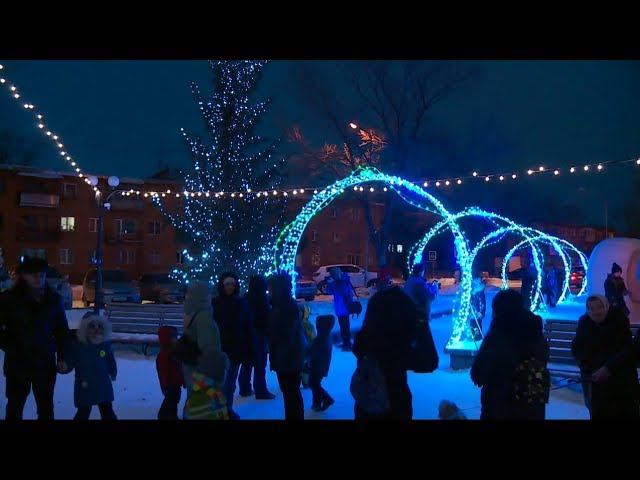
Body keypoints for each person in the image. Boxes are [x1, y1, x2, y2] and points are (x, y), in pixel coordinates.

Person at [0, 256, 70, 420]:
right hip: (17, 364)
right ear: (24, 276)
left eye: (42, 275)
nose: (39, 279)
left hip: (44, 363)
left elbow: (62, 331)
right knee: (15, 408)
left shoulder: (53, 300)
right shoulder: (9, 299)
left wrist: (62, 357)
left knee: (45, 408)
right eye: (34, 275)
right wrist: (11, 345)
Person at [470, 289, 550, 420]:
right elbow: (544, 356)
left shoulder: (497, 334)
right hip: (531, 399)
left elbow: (478, 373)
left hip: (500, 403)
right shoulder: (534, 329)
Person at [352, 286, 420, 419]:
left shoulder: (365, 339)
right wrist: (421, 322)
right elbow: (429, 362)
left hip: (366, 405)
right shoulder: (399, 344)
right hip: (396, 404)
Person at [571, 295, 639, 419]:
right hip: (596, 380)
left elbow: (627, 349)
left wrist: (608, 368)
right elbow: (577, 348)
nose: (595, 312)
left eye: (599, 307)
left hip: (621, 380)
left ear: (606, 306)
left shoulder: (618, 320)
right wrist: (588, 369)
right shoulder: (585, 322)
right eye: (591, 308)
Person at [182, 281, 229, 419]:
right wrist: (218, 376)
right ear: (203, 296)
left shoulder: (190, 312)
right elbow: (210, 351)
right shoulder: (204, 317)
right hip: (202, 374)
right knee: (205, 408)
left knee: (194, 405)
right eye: (208, 293)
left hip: (191, 370)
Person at [62, 313, 117, 420]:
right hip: (85, 385)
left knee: (107, 410)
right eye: (92, 326)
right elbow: (70, 361)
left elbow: (110, 360)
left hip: (103, 385)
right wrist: (65, 366)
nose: (97, 329)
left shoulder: (104, 345)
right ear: (85, 329)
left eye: (99, 326)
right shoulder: (78, 346)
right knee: (83, 412)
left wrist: (113, 371)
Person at [213, 272, 251, 418]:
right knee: (221, 383)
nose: (230, 287)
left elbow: (247, 326)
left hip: (236, 349)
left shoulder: (241, 303)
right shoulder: (216, 303)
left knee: (231, 383)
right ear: (223, 286)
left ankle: (227, 409)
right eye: (227, 284)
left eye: (232, 284)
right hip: (221, 349)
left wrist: (247, 347)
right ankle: (219, 410)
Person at [267, 272, 305, 420]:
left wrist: (278, 357)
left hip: (289, 359)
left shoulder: (286, 307)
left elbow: (286, 336)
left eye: (270, 288)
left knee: (291, 395)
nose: (268, 291)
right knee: (289, 395)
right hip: (286, 358)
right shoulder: (279, 305)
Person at [239, 275, 276, 400]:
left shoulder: (245, 299)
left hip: (246, 337)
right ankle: (260, 390)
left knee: (247, 364)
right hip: (259, 337)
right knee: (260, 366)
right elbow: (266, 320)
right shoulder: (262, 300)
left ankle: (244, 388)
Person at [156, 325, 184, 420]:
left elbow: (180, 368)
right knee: (171, 401)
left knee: (175, 400)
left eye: (175, 337)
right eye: (173, 337)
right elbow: (162, 372)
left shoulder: (175, 352)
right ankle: (165, 415)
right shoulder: (164, 355)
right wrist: (165, 385)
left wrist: (183, 380)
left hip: (176, 384)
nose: (175, 339)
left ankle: (172, 415)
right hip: (170, 385)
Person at [309, 315, 336, 412]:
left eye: (318, 324)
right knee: (315, 383)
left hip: (318, 366)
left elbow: (313, 352)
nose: (316, 326)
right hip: (322, 365)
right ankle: (316, 402)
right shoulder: (326, 335)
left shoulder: (321, 338)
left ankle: (327, 399)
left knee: (313, 383)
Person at [326, 267, 355, 351]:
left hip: (345, 307)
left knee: (345, 326)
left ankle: (347, 343)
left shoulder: (344, 281)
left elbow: (343, 290)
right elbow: (329, 291)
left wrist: (334, 284)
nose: (332, 277)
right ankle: (345, 342)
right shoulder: (337, 282)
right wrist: (330, 284)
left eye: (333, 275)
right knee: (343, 326)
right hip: (340, 307)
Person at [470, 271, 486, 340]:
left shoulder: (479, 292)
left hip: (477, 313)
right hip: (473, 312)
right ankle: (474, 335)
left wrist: (481, 312)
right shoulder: (472, 291)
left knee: (477, 324)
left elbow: (482, 303)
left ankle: (477, 337)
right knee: (473, 324)